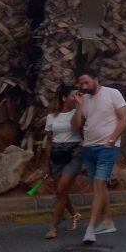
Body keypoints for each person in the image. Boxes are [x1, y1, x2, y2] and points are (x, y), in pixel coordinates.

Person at [72, 69, 126, 245]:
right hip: (89, 147)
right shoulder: (84, 99)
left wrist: (112, 140)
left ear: (96, 80)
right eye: (81, 84)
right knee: (99, 186)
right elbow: (76, 125)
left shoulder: (112, 93)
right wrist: (79, 105)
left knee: (99, 183)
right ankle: (108, 222)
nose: (84, 86)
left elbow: (124, 118)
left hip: (107, 147)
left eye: (87, 82)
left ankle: (90, 229)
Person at [43, 85, 82, 240]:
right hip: (57, 153)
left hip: (74, 152)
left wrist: (80, 106)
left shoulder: (78, 112)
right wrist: (47, 162)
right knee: (61, 191)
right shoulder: (51, 116)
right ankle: (74, 214)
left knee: (61, 189)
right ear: (64, 98)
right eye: (73, 95)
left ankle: (53, 227)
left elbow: (77, 126)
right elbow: (49, 140)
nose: (76, 98)